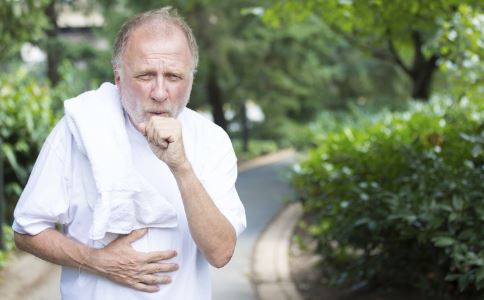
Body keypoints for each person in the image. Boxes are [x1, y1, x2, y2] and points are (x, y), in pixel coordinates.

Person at [12, 7, 246, 300]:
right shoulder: (80, 128)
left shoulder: (212, 141)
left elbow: (221, 252)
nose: (160, 92)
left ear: (191, 78)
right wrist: (94, 260)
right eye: (146, 75)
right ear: (119, 76)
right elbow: (26, 230)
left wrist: (182, 167)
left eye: (173, 76)